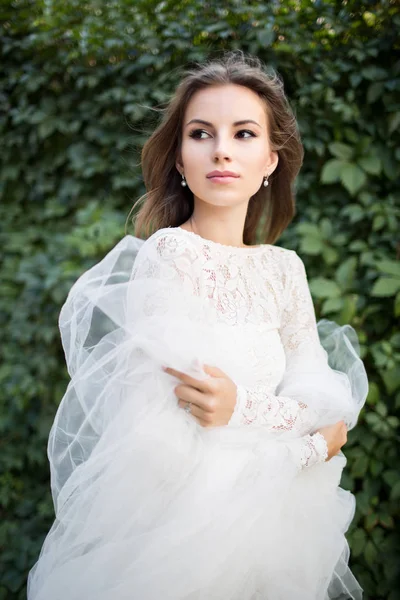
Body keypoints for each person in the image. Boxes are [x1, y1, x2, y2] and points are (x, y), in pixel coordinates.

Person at [28, 51, 368, 600]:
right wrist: (306, 445)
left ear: (271, 161)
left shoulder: (286, 270)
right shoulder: (168, 254)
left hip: (282, 528)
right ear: (181, 160)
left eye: (243, 133)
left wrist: (261, 417)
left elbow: (323, 399)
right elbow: (189, 423)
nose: (222, 150)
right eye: (202, 133)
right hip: (185, 536)